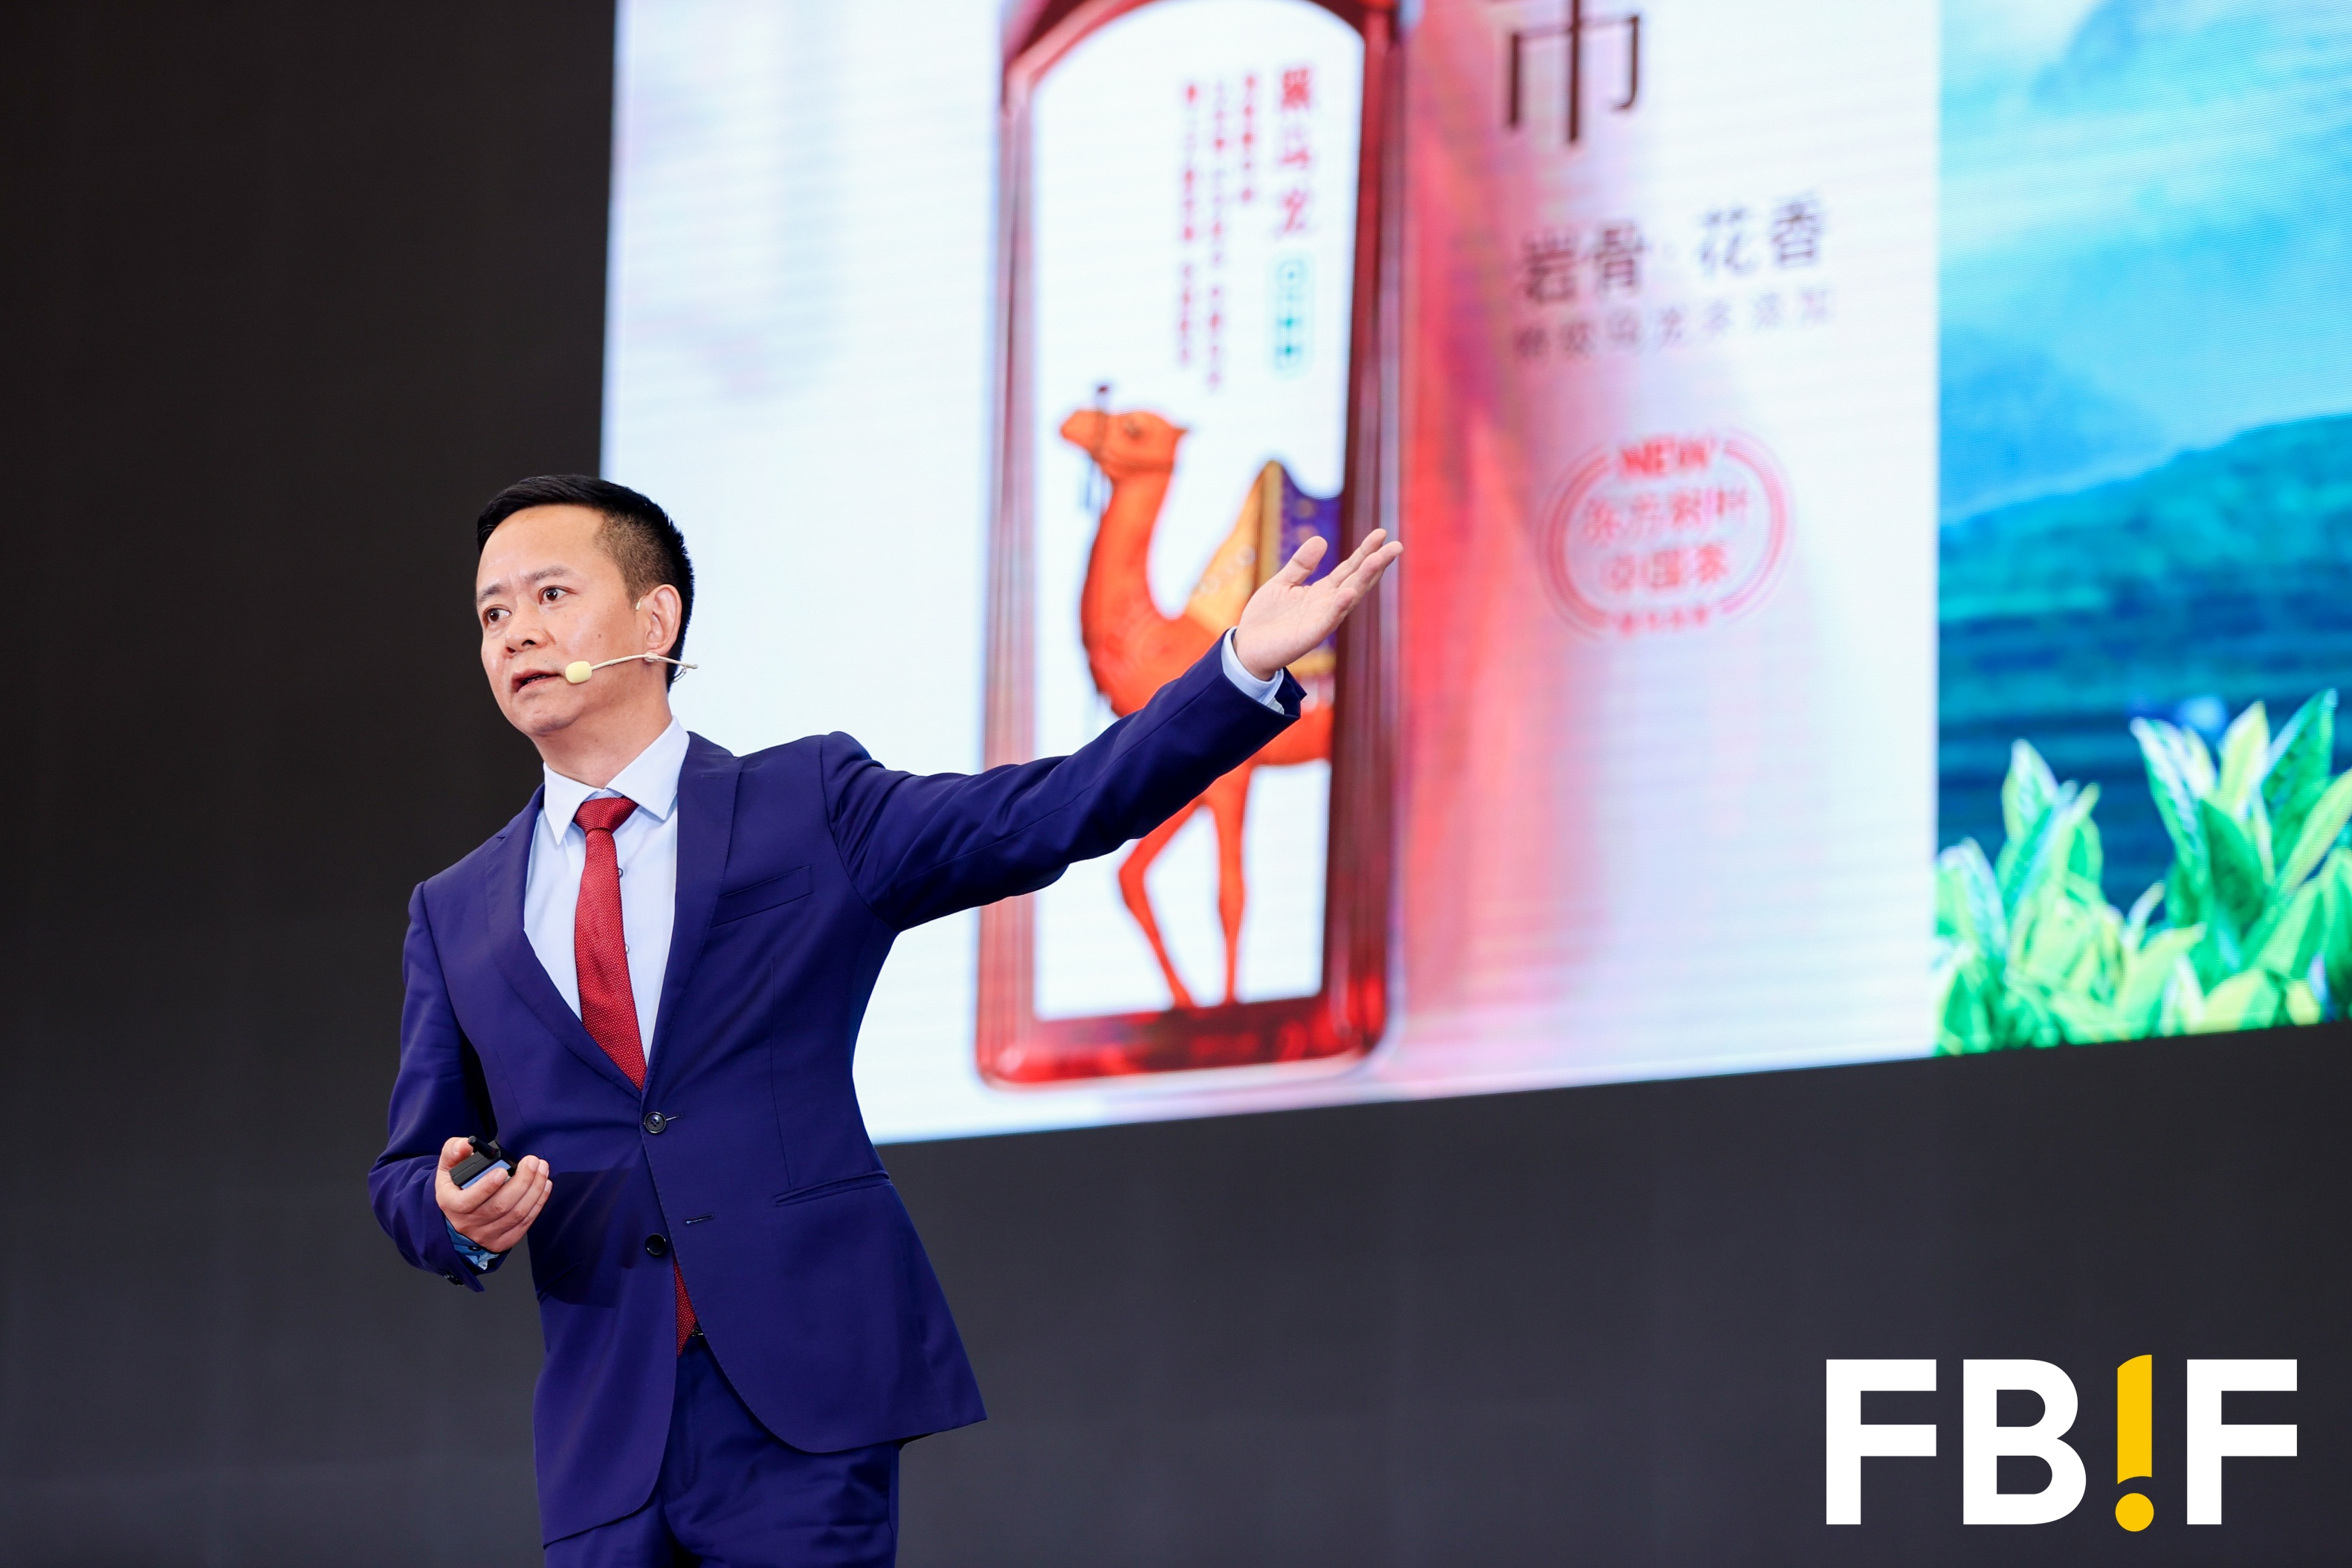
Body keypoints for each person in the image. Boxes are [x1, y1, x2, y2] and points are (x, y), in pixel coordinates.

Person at [368, 474, 1400, 1565]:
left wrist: (1236, 671)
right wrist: (451, 1208)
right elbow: (406, 1171)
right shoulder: (455, 910)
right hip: (604, 1439)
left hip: (802, 1404)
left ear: (654, 619)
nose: (516, 633)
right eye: (492, 612)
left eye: (550, 596)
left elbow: (1050, 809)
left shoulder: (806, 801)